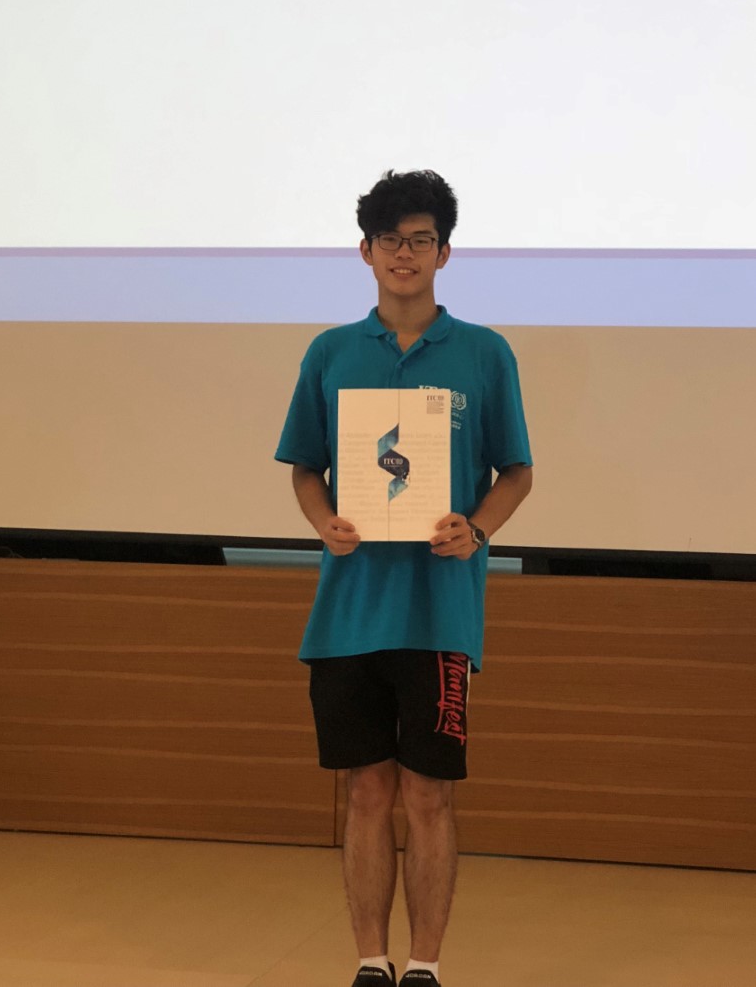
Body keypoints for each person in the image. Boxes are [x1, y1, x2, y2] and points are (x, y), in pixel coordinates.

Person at [275, 169, 533, 987]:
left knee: (427, 796)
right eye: (390, 238)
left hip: (439, 612)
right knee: (365, 792)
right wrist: (324, 521)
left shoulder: (485, 352)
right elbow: (306, 468)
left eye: (421, 239)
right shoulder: (330, 351)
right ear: (366, 251)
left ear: (444, 252)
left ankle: (423, 964)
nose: (405, 252)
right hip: (349, 612)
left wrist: (476, 528)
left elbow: (516, 471)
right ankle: (370, 962)